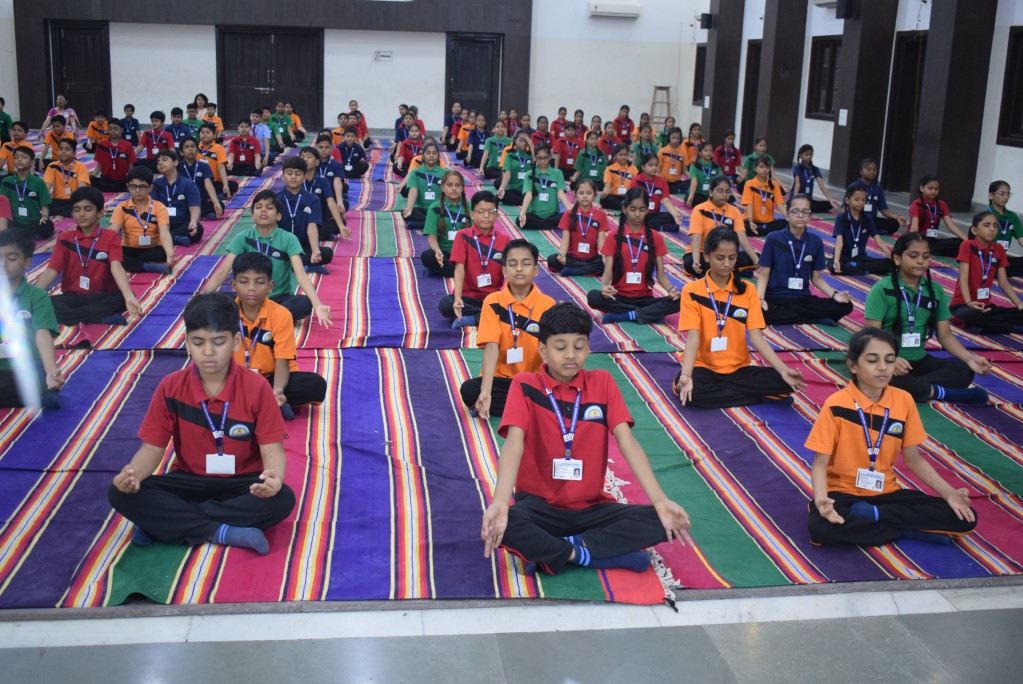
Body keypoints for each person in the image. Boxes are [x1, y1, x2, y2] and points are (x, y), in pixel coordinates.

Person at [480, 301, 694, 576]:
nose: (571, 355)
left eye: (579, 346)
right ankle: (589, 554)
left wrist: (660, 500)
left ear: (589, 348)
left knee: (664, 521)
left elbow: (627, 442)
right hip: (539, 507)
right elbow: (514, 443)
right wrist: (499, 503)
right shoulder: (525, 384)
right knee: (504, 524)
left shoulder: (602, 382)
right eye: (560, 347)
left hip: (592, 508)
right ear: (543, 350)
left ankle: (556, 551)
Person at [107, 292, 296, 555]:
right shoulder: (171, 387)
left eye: (218, 342)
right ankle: (221, 531)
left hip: (241, 483)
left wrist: (274, 478)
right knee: (119, 493)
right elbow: (152, 449)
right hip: (189, 481)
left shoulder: (257, 387)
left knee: (283, 499)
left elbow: (272, 449)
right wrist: (133, 476)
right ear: (187, 343)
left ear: (236, 342)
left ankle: (164, 523)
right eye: (198, 342)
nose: (208, 352)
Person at [806, 327, 977, 547]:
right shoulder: (836, 404)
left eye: (889, 360)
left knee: (965, 517)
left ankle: (873, 516)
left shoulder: (903, 400)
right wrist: (821, 500)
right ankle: (902, 529)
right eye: (872, 360)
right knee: (820, 529)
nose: (882, 368)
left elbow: (914, 460)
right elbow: (819, 464)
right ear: (853, 366)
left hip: (886, 493)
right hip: (844, 493)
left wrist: (949, 493)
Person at [674, 227, 805, 408]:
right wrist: (686, 375)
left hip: (738, 369)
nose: (727, 264)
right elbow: (693, 338)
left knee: (788, 383)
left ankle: (724, 392)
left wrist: (783, 370)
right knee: (687, 391)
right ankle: (757, 397)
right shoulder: (692, 291)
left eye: (732, 257)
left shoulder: (748, 290)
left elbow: (757, 338)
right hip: (703, 367)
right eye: (720, 258)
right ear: (707, 257)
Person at [863, 233, 992, 403]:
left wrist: (970, 358)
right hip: (888, 361)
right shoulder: (881, 289)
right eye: (913, 256)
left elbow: (945, 335)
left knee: (964, 370)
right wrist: (890, 360)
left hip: (918, 361)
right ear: (897, 259)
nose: (920, 262)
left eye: (925, 257)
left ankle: (913, 388)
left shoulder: (935, 290)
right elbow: (871, 335)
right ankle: (943, 393)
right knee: (879, 374)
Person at [205, 189, 332, 326]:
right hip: (248, 296)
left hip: (278, 298)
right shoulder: (242, 237)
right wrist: (203, 298)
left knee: (304, 303)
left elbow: (301, 275)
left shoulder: (289, 239)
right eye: (258, 207)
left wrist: (318, 304)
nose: (263, 210)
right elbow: (223, 271)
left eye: (269, 208)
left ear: (278, 216)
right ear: (252, 215)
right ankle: (273, 319)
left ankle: (253, 318)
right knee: (219, 302)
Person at [461, 239, 556, 418]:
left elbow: (550, 351)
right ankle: (530, 408)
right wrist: (486, 392)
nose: (519, 269)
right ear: (504, 271)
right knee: (470, 390)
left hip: (533, 379)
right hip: (501, 380)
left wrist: (548, 384)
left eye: (526, 264)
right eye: (512, 264)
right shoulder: (493, 301)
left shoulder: (548, 304)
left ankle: (523, 406)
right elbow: (491, 347)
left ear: (536, 270)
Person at [231, 253, 326, 421]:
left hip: (271, 378)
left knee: (315, 385)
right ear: (234, 285)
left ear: (270, 286)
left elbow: (283, 360)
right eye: (244, 281)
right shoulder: (226, 312)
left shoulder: (281, 315)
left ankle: (263, 400)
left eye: (259, 282)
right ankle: (264, 402)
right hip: (234, 377)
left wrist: (278, 391)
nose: (251, 288)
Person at [35, 186, 141, 326]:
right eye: (77, 210)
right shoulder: (64, 238)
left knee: (126, 296)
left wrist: (128, 297)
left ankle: (77, 316)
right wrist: (33, 296)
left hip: (102, 296)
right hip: (73, 297)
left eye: (88, 209)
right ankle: (97, 318)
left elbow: (116, 267)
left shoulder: (111, 236)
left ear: (100, 213)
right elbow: (51, 270)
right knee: (42, 303)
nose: (81, 214)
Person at [587, 187, 681, 324]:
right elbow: (608, 271)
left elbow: (661, 275)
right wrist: (605, 287)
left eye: (642, 210)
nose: (637, 214)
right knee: (593, 296)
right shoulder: (613, 236)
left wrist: (671, 290)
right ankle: (649, 313)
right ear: (624, 209)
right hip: (619, 296)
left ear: (647, 211)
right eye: (633, 209)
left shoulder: (655, 237)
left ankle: (629, 315)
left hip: (645, 298)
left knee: (680, 300)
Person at [756, 194, 854, 326]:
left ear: (810, 215)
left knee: (846, 305)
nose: (800, 215)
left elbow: (816, 278)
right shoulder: (773, 238)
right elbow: (763, 274)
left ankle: (799, 315)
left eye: (805, 212)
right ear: (788, 214)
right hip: (776, 297)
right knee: (760, 312)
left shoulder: (815, 241)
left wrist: (834, 295)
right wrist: (760, 299)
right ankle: (815, 318)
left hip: (802, 298)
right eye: (795, 211)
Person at [0, 231, 64, 410]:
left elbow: (42, 334)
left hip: (27, 366)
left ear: (27, 263)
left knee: (37, 379)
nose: (3, 264)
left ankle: (41, 389)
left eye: (12, 258)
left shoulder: (37, 295)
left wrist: (51, 371)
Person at [440, 190, 510, 328]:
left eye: (491, 211)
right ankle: (489, 316)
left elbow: (509, 273)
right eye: (481, 211)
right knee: (446, 305)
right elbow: (459, 269)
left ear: (497, 215)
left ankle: (475, 318)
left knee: (515, 306)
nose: (486, 216)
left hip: (493, 297)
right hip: (467, 297)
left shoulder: (505, 240)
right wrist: (458, 298)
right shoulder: (462, 235)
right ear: (472, 214)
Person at [949, 211, 1023, 333]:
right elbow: (963, 278)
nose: (992, 229)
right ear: (974, 230)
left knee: (1016, 313)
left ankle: (992, 324)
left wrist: (1019, 304)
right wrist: (969, 302)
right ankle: (1009, 328)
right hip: (963, 305)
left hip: (986, 306)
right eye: (986, 225)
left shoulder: (998, 249)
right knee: (971, 315)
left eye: (995, 226)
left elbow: (1003, 282)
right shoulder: (968, 245)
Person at [684, 175, 756, 277]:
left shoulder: (735, 211)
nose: (724, 195)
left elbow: (741, 237)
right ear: (711, 192)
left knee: (757, 257)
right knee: (689, 263)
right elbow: (697, 236)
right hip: (704, 253)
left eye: (727, 191)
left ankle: (720, 271)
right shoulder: (700, 209)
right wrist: (696, 259)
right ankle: (733, 271)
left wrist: (755, 259)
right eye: (720, 191)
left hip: (727, 254)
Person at [110, 166, 175, 274]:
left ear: (150, 187)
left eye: (142, 187)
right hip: (129, 248)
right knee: (113, 254)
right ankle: (147, 266)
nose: (137, 190)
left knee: (164, 251)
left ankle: (132, 265)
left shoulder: (159, 207)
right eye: (133, 186)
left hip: (152, 248)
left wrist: (169, 253)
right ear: (128, 187)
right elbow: (113, 230)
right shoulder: (122, 207)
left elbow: (164, 232)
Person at [277, 156, 332, 274]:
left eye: (298, 174)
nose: (293, 177)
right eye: (289, 173)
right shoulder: (276, 199)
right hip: (281, 246)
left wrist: (315, 250)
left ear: (304, 176)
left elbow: (312, 226)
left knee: (326, 253)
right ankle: (303, 266)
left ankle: (292, 265)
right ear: (282, 176)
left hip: (303, 247)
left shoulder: (313, 199)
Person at [547, 179, 609, 276]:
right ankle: (587, 270)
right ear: (575, 195)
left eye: (589, 193)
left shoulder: (600, 215)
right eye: (581, 193)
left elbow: (602, 241)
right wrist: (562, 254)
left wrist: (605, 258)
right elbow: (565, 239)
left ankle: (574, 271)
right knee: (551, 260)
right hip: (572, 257)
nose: (585, 196)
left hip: (591, 258)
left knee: (610, 262)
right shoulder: (568, 214)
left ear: (594, 196)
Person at [831, 183, 893, 276]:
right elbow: (839, 242)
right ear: (847, 200)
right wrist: (836, 260)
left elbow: (878, 240)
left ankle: (858, 267)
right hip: (844, 257)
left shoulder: (867, 218)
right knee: (833, 267)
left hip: (860, 257)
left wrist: (892, 258)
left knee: (889, 264)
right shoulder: (841, 218)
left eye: (863, 200)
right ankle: (860, 268)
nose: (861, 202)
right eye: (857, 199)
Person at [421, 170, 470, 278]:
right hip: (444, 253)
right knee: (427, 257)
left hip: (464, 253)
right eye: (449, 185)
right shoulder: (434, 208)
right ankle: (461, 273)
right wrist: (437, 250)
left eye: (458, 185)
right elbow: (432, 237)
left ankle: (448, 271)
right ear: (443, 187)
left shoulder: (470, 207)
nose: (454, 188)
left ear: (462, 188)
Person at [908, 175, 967, 258]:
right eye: (930, 188)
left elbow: (951, 225)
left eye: (936, 189)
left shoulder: (942, 204)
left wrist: (968, 241)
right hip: (918, 240)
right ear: (922, 188)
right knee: (957, 250)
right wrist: (915, 244)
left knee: (961, 242)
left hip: (932, 241)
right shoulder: (916, 204)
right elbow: (914, 228)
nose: (933, 191)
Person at [0, 147, 53, 240]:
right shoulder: (7, 181)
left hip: (33, 221)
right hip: (14, 221)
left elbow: (44, 205)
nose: (19, 160)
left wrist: (44, 216)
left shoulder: (38, 182)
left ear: (32, 162)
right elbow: (3, 206)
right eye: (16, 157)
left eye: (24, 157)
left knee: (47, 226)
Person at [153, 149, 203, 246]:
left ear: (175, 162)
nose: (160, 163)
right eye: (158, 162)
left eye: (164, 160)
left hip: (181, 223)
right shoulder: (155, 184)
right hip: (161, 223)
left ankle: (167, 238)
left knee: (197, 228)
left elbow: (194, 207)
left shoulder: (188, 184)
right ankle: (175, 238)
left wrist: (194, 221)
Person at [298, 147, 349, 241]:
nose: (305, 159)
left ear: (317, 162)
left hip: (319, 220)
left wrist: (341, 226)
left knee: (340, 223)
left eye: (309, 156)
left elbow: (330, 202)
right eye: (302, 157)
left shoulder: (323, 181)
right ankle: (313, 236)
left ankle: (308, 236)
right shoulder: (296, 180)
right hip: (300, 219)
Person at [847, 158, 906, 235]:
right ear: (861, 171)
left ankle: (869, 231)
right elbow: (846, 207)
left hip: (872, 220)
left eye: (874, 170)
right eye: (868, 169)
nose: (872, 171)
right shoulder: (853, 186)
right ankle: (872, 231)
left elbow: (884, 210)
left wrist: (897, 217)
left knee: (894, 223)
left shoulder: (878, 189)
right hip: (857, 218)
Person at [518, 145, 570, 231]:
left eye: (545, 157)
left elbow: (561, 194)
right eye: (539, 158)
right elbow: (528, 194)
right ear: (535, 158)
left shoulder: (557, 173)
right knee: (519, 220)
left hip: (553, 215)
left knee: (566, 218)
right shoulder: (529, 174)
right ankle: (548, 224)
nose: (542, 161)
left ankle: (542, 224)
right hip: (534, 215)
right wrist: (522, 213)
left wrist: (570, 211)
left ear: (550, 157)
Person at [630, 153, 683, 232]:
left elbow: (666, 200)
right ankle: (660, 228)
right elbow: (631, 201)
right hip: (640, 213)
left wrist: (675, 214)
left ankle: (652, 227)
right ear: (643, 166)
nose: (654, 168)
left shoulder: (662, 181)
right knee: (636, 220)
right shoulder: (636, 180)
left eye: (656, 165)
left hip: (654, 214)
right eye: (651, 165)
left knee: (672, 217)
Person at [42, 138, 90, 218]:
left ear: (74, 153)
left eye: (67, 149)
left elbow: (82, 188)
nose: (63, 152)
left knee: (82, 205)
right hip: (57, 201)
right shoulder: (52, 166)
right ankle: (68, 212)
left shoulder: (81, 166)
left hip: (74, 200)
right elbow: (46, 187)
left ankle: (68, 211)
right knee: (40, 205)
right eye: (61, 149)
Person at [402, 141, 444, 231]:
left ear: (438, 156)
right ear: (423, 156)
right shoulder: (415, 172)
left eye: (434, 153)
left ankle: (422, 223)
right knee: (406, 213)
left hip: (436, 208)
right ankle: (433, 223)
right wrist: (409, 208)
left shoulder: (445, 173)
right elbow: (413, 190)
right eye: (428, 153)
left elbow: (445, 194)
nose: (431, 155)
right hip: (420, 209)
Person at [741, 156, 787, 236]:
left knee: (787, 223)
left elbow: (779, 204)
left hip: (768, 222)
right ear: (755, 169)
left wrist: (787, 217)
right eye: (761, 167)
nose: (765, 169)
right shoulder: (749, 184)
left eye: (767, 167)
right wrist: (751, 221)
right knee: (741, 226)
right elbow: (749, 204)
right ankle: (762, 230)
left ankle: (761, 230)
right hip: (752, 221)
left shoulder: (774, 185)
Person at [789, 144, 841, 213]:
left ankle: (805, 208)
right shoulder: (797, 168)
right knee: (795, 205)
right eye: (806, 155)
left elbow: (821, 185)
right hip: (797, 198)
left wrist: (830, 199)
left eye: (810, 155)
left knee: (829, 204)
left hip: (808, 200)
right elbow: (797, 184)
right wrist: (794, 200)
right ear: (801, 156)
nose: (809, 156)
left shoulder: (815, 169)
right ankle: (798, 206)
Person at [180, 137, 223, 219]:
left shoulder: (203, 165)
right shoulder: (177, 167)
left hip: (201, 203)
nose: (190, 149)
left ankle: (195, 213)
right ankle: (201, 213)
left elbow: (208, 184)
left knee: (220, 205)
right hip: (184, 202)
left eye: (193, 147)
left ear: (197, 151)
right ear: (181, 152)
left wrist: (215, 202)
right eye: (187, 147)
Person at [987, 180, 1023, 277]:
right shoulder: (985, 216)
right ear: (991, 195)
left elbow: (1021, 239)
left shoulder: (1012, 217)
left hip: (1002, 260)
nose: (1006, 197)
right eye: (1002, 194)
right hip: (986, 258)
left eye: (1008, 194)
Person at [90, 118, 136, 193]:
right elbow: (99, 166)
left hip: (121, 180)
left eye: (115, 129)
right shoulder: (101, 145)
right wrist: (93, 174)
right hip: (105, 179)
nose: (113, 131)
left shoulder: (128, 145)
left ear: (121, 130)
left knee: (128, 184)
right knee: (90, 179)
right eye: (110, 129)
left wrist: (131, 178)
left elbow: (131, 166)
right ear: (107, 130)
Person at [198, 123, 236, 198]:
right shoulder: (196, 147)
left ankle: (210, 195)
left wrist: (225, 185)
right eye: (202, 132)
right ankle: (213, 195)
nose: (205, 134)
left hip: (215, 181)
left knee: (233, 185)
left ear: (214, 135)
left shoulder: (219, 148)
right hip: (200, 181)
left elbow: (221, 167)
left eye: (208, 132)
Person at [497, 130, 533, 207]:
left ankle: (527, 200)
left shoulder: (531, 155)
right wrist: (502, 187)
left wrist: (532, 147)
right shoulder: (510, 155)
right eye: (521, 140)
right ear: (515, 141)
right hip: (514, 189)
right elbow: (507, 173)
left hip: (528, 190)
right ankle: (526, 201)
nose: (524, 143)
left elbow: (538, 166)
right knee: (502, 196)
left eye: (526, 140)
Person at [600, 144, 638, 212]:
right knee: (605, 199)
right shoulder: (609, 168)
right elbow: (607, 185)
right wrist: (605, 193)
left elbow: (636, 186)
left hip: (627, 196)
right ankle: (625, 208)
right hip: (614, 197)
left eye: (625, 154)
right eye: (620, 155)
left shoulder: (634, 169)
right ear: (615, 155)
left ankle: (625, 207)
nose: (623, 157)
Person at [686, 142, 722, 208]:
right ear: (700, 152)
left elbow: (721, 181)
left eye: (710, 151)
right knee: (693, 199)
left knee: (728, 197)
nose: (709, 153)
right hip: (698, 193)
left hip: (711, 194)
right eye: (706, 150)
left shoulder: (716, 166)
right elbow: (694, 182)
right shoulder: (694, 165)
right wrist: (691, 196)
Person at [479, 119, 512, 186]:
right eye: (498, 127)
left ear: (505, 129)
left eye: (502, 126)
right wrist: (481, 167)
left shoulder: (510, 141)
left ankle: (503, 176)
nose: (500, 128)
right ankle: (503, 176)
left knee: (508, 172)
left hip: (504, 167)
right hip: (492, 167)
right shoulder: (489, 140)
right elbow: (485, 154)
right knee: (486, 172)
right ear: (493, 129)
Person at [657, 127, 688, 194]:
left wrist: (693, 178)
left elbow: (685, 171)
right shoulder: (662, 151)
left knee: (692, 182)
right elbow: (658, 169)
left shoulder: (683, 153)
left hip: (677, 182)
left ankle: (673, 190)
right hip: (664, 181)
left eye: (678, 138)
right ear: (669, 137)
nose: (676, 140)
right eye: (673, 138)